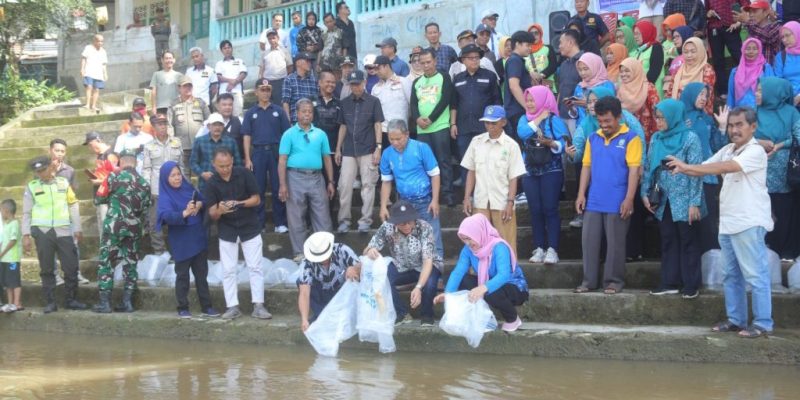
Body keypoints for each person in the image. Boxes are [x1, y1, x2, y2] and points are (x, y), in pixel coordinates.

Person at [668, 107, 774, 338]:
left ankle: (763, 323)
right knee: (731, 275)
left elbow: (726, 167)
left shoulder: (754, 151)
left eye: (739, 125)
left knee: (756, 275)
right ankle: (736, 320)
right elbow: (707, 167)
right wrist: (684, 167)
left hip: (749, 221)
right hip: (728, 222)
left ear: (752, 127)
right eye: (731, 125)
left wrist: (686, 166)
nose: (734, 130)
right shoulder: (728, 149)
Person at [574, 97, 642, 294]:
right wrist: (581, 194)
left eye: (608, 121)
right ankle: (588, 281)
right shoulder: (593, 138)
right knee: (589, 242)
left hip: (618, 199)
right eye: (600, 121)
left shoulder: (631, 138)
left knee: (615, 245)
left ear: (619, 117)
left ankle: (614, 282)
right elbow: (586, 166)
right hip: (594, 199)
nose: (604, 125)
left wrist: (629, 198)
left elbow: (634, 171)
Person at [641, 99, 706, 298]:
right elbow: (648, 166)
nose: (658, 122)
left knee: (687, 239)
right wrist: (645, 192)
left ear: (673, 117)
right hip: (664, 198)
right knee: (668, 238)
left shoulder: (690, 138)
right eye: (657, 118)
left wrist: (694, 202)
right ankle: (669, 281)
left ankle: (690, 284)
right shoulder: (656, 139)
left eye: (662, 118)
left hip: (685, 197)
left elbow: (697, 171)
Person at [204, 147, 271, 320]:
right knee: (228, 270)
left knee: (255, 267)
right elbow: (212, 213)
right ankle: (232, 306)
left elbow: (256, 199)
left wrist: (238, 204)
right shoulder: (211, 183)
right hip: (227, 230)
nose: (225, 169)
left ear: (232, 161)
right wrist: (220, 209)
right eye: (221, 166)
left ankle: (258, 305)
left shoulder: (244, 173)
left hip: (250, 226)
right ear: (214, 165)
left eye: (227, 165)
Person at [566, 88, 646, 229]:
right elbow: (583, 159)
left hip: (626, 177)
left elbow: (640, 141)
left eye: (595, 101)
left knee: (626, 224)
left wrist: (641, 165)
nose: (591, 105)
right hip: (600, 186)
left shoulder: (627, 122)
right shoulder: (588, 126)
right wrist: (572, 153)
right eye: (589, 102)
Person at [434, 213, 529, 332]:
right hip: (487, 283)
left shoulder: (499, 247)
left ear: (478, 232)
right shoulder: (468, 250)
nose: (468, 243)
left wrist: (483, 287)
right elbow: (458, 272)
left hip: (514, 287)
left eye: (469, 238)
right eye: (464, 239)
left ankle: (513, 319)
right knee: (461, 280)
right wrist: (448, 294)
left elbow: (504, 275)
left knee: (492, 292)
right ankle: (485, 317)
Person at [22, 157, 86, 313]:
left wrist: (77, 227)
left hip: (63, 230)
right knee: (46, 269)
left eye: (42, 170)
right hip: (43, 232)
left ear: (50, 168)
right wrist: (25, 235)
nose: (40, 174)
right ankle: (50, 302)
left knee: (71, 267)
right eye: (37, 172)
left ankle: (71, 300)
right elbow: (26, 212)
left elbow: (73, 204)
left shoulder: (63, 183)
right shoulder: (32, 187)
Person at [365, 200, 443, 326]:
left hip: (425, 266)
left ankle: (427, 315)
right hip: (401, 266)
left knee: (430, 283)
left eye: (409, 222)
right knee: (382, 277)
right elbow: (367, 249)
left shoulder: (424, 227)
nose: (406, 226)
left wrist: (418, 287)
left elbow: (428, 261)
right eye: (401, 223)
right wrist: (370, 250)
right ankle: (402, 314)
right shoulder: (387, 227)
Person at [462, 105, 527, 255]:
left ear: (503, 122)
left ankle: (510, 276)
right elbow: (471, 171)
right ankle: (478, 275)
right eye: (487, 123)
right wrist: (466, 197)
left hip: (502, 201)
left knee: (506, 243)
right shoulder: (476, 142)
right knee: (477, 242)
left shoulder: (512, 146)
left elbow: (513, 178)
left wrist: (510, 202)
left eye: (494, 123)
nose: (490, 126)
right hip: (480, 201)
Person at [156, 161, 218, 318]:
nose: (177, 178)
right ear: (165, 178)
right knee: (182, 275)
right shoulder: (165, 196)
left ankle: (207, 306)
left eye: (178, 174)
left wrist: (198, 205)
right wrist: (184, 213)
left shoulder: (188, 188)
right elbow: (165, 216)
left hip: (198, 237)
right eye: (173, 176)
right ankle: (182, 307)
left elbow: (204, 200)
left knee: (201, 275)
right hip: (181, 240)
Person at [92, 150, 151, 314]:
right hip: (133, 229)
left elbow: (99, 199)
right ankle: (127, 303)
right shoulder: (144, 183)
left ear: (120, 162)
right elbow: (146, 207)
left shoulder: (112, 177)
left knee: (106, 263)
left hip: (113, 227)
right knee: (130, 264)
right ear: (136, 163)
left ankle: (105, 303)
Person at [278, 99, 336, 262]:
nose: (307, 114)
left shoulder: (320, 134)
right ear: (297, 113)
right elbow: (282, 160)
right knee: (296, 216)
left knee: (322, 216)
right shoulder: (288, 134)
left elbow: (327, 158)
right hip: (294, 177)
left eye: (310, 111)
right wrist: (283, 184)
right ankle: (299, 253)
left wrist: (330, 181)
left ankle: (325, 252)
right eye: (304, 111)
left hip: (317, 177)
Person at [379, 119, 444, 257]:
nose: (395, 143)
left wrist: (435, 200)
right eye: (391, 139)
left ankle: (437, 273)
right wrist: (383, 205)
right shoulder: (387, 153)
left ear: (407, 134)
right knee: (409, 241)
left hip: (425, 201)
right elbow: (386, 182)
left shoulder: (421, 148)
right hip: (404, 203)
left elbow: (435, 174)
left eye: (398, 139)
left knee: (432, 237)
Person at [517, 88, 567, 264]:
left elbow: (563, 144)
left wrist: (550, 142)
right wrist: (538, 118)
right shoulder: (525, 119)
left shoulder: (555, 120)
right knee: (535, 210)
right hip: (530, 171)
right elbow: (522, 133)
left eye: (533, 100)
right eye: (528, 100)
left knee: (550, 208)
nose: (530, 104)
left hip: (551, 170)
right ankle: (539, 247)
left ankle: (552, 248)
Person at [754, 77, 800, 260]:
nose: (756, 94)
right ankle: (767, 250)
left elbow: (799, 137)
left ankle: (785, 251)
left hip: (784, 174)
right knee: (764, 210)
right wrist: (759, 142)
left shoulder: (791, 113)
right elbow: (739, 138)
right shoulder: (753, 112)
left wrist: (780, 145)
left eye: (760, 91)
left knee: (784, 211)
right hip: (760, 171)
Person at [334, 70, 384, 233]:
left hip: (368, 148)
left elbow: (378, 124)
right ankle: (344, 220)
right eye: (352, 84)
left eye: (358, 83)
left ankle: (365, 220)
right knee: (344, 185)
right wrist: (337, 149)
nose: (355, 87)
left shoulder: (373, 101)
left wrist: (378, 148)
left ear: (364, 83)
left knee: (368, 185)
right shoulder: (345, 103)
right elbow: (343, 126)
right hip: (348, 149)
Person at [680, 83, 727, 253]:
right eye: (699, 94)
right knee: (687, 223)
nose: (703, 98)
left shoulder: (707, 118)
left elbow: (716, 146)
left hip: (707, 175)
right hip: (685, 175)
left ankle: (710, 262)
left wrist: (722, 127)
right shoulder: (679, 117)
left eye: (705, 95)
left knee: (707, 221)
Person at [242, 79, 290, 232]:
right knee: (258, 188)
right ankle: (259, 223)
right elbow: (246, 136)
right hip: (258, 153)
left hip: (276, 153)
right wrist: (248, 158)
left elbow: (287, 134)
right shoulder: (251, 113)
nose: (265, 92)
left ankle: (280, 223)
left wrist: (285, 156)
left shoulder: (279, 111)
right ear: (256, 92)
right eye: (262, 89)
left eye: (268, 89)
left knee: (278, 187)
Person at [411, 49, 456, 206]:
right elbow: (413, 104)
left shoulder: (443, 77)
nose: (426, 65)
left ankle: (448, 194)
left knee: (443, 161)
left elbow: (445, 100)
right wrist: (417, 119)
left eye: (428, 62)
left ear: (435, 61)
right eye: (422, 63)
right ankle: (427, 194)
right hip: (422, 130)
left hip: (440, 126)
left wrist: (431, 119)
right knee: (425, 164)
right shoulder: (417, 82)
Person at [451, 44, 501, 185]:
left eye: (477, 57)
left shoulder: (489, 76)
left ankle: (488, 190)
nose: (474, 60)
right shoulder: (458, 78)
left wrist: (496, 123)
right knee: (466, 160)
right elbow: (454, 104)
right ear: (463, 61)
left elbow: (497, 100)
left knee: (487, 159)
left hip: (485, 127)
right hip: (463, 127)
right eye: (471, 58)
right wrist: (453, 124)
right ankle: (469, 195)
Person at [297, 232, 360, 331]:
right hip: (323, 294)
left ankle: (346, 314)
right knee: (300, 282)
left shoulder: (342, 250)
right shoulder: (306, 263)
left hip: (342, 293)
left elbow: (362, 266)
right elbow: (304, 293)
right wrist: (304, 319)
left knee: (355, 277)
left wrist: (353, 268)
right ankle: (322, 314)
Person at [49, 139, 90, 285]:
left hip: (65, 214)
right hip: (48, 216)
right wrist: (51, 172)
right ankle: (54, 275)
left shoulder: (69, 170)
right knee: (51, 248)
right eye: (56, 150)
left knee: (73, 246)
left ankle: (75, 273)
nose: (59, 154)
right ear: (50, 151)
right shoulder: (42, 169)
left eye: (62, 151)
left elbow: (72, 194)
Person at [142, 114, 184, 255]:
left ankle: (178, 249)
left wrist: (184, 185)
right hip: (157, 189)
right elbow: (147, 169)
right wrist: (147, 187)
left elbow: (181, 166)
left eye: (164, 123)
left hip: (175, 188)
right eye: (159, 124)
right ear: (153, 127)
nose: (162, 126)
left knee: (178, 219)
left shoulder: (177, 142)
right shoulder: (149, 146)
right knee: (155, 222)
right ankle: (160, 251)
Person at [192, 113, 243, 193]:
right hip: (206, 183)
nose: (217, 127)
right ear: (208, 126)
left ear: (223, 127)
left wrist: (229, 174)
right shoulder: (199, 141)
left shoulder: (231, 142)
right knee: (207, 205)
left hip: (227, 184)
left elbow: (238, 164)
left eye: (220, 125)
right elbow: (193, 162)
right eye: (214, 125)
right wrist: (202, 174)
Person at [705, 0, 747, 96]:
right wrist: (708, 13)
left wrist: (739, 22)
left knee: (739, 57)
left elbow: (746, 6)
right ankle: (723, 91)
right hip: (714, 27)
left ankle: (746, 85)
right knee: (718, 61)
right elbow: (705, 11)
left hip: (731, 27)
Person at [665, 37, 716, 115]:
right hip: (678, 114)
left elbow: (707, 97)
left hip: (697, 116)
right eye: (686, 52)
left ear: (700, 51)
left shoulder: (706, 70)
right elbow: (670, 92)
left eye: (693, 51)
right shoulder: (680, 69)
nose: (689, 55)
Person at [372, 55, 412, 149]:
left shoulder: (403, 81)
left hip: (400, 131)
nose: (376, 72)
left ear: (386, 66)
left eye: (378, 68)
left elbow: (412, 104)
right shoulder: (375, 88)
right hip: (382, 132)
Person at [83, 132, 118, 239]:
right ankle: (105, 252)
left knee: (107, 225)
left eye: (90, 144)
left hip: (108, 197)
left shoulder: (110, 154)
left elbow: (116, 176)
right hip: (100, 196)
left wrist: (99, 181)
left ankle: (110, 252)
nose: (90, 148)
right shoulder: (100, 156)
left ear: (98, 140)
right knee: (102, 227)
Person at [170, 76, 209, 170]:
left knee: (201, 172)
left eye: (189, 86)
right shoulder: (173, 104)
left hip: (200, 146)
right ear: (179, 88)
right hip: (182, 147)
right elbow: (169, 126)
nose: (188, 88)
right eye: (185, 86)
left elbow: (209, 122)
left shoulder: (201, 103)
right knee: (184, 174)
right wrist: (173, 144)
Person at [618, 57, 661, 142]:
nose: (623, 74)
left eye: (627, 71)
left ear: (635, 71)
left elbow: (656, 112)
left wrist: (656, 135)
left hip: (647, 134)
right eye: (621, 71)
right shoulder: (620, 89)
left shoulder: (648, 88)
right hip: (626, 133)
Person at [503, 31, 535, 141]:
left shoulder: (517, 61)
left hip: (517, 111)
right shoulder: (514, 61)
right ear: (517, 44)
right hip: (516, 112)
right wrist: (528, 107)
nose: (530, 48)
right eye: (527, 45)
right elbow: (514, 86)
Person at [728, 38, 775, 109]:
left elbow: (772, 90)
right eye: (748, 48)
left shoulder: (766, 68)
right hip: (741, 112)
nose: (751, 52)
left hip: (761, 111)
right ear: (743, 50)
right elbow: (731, 95)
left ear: (759, 50)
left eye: (755, 49)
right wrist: (729, 112)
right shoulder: (735, 71)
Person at [313, 71, 343, 184]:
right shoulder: (310, 101)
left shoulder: (339, 103)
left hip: (333, 150)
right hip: (314, 150)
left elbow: (342, 127)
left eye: (333, 82)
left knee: (332, 183)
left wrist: (338, 149)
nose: (331, 85)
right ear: (320, 83)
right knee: (315, 184)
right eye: (328, 82)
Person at [196, 93, 245, 160]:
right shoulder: (209, 122)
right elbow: (197, 141)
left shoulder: (240, 121)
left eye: (230, 105)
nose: (227, 107)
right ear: (218, 106)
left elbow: (246, 140)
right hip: (214, 165)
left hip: (236, 163)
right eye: (224, 105)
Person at [572, 52, 615, 123]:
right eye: (580, 70)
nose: (582, 73)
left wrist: (587, 103)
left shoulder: (607, 86)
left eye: (585, 69)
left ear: (595, 66)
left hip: (601, 126)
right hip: (582, 127)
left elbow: (611, 108)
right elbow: (576, 114)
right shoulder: (579, 86)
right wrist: (571, 107)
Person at [557, 30, 584, 134]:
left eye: (561, 42)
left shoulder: (585, 61)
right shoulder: (563, 65)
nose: (559, 46)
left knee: (578, 147)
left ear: (570, 43)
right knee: (566, 147)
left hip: (578, 116)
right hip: (562, 114)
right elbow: (560, 89)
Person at [258, 29, 293, 106]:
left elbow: (290, 67)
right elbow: (262, 68)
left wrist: (286, 80)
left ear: (278, 38)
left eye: (273, 38)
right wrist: (260, 80)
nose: (272, 40)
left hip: (280, 81)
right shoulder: (265, 53)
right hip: (267, 82)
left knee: (280, 104)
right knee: (267, 104)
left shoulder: (284, 51)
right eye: (269, 39)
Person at [282, 52, 318, 123]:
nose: (309, 63)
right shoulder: (289, 79)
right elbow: (285, 102)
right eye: (307, 61)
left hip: (311, 121)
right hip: (295, 121)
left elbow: (316, 100)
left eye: (310, 61)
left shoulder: (313, 80)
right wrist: (288, 121)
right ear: (298, 63)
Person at [215, 40, 247, 117]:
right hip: (223, 93)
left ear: (232, 48)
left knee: (238, 115)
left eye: (229, 47)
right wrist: (231, 81)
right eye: (224, 48)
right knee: (224, 116)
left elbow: (243, 73)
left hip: (237, 93)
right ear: (221, 51)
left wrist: (234, 83)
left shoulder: (239, 61)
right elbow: (218, 77)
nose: (227, 50)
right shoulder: (219, 64)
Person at [0, 199, 22, 313]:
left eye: (1, 210)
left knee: (14, 281)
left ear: (6, 210)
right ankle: (9, 304)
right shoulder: (6, 224)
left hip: (12, 259)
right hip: (5, 259)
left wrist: (2, 253)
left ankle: (16, 303)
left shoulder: (14, 224)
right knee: (8, 282)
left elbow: (12, 241)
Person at [631, 20, 665, 94]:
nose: (635, 37)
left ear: (646, 32)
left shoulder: (656, 47)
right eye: (634, 34)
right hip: (641, 90)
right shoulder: (640, 50)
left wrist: (641, 86)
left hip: (653, 92)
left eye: (637, 34)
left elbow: (654, 72)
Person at [149, 51, 183, 116]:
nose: (168, 60)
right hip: (161, 107)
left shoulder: (179, 75)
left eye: (170, 58)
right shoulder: (156, 74)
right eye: (166, 58)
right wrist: (153, 107)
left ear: (174, 60)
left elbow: (182, 92)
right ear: (162, 60)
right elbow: (153, 91)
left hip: (176, 106)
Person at [774, 22, 800, 105]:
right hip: (788, 100)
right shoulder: (781, 56)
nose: (784, 40)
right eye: (782, 37)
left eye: (788, 35)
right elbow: (778, 80)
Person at [525, 24, 557, 90]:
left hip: (547, 83)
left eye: (536, 33)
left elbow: (553, 66)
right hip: (531, 85)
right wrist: (530, 76)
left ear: (540, 34)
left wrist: (541, 75)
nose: (534, 35)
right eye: (531, 34)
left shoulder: (548, 48)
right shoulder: (525, 52)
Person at [80, 34, 107, 112]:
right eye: (99, 41)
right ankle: (87, 104)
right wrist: (82, 69)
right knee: (89, 87)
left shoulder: (103, 51)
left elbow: (104, 64)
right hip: (89, 71)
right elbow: (83, 59)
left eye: (102, 41)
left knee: (97, 89)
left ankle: (94, 106)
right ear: (95, 41)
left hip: (98, 73)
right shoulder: (88, 48)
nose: (100, 43)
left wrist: (105, 73)